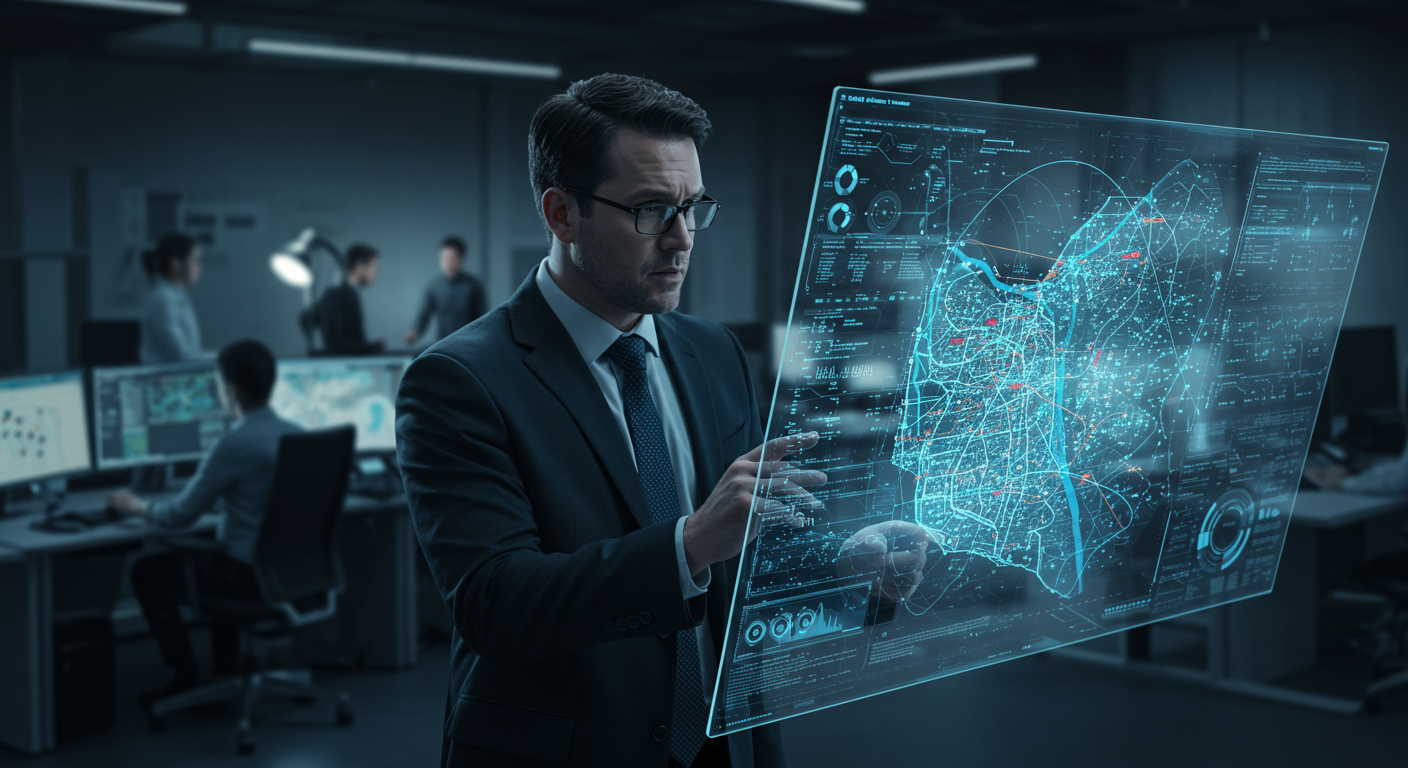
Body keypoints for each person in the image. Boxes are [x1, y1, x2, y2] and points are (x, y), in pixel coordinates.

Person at [396, 73, 926, 768]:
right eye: (650, 210)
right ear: (561, 214)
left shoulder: (713, 351)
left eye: (692, 207)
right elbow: (498, 604)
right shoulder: (460, 381)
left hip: (724, 743)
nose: (681, 240)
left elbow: (738, 550)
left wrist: (840, 570)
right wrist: (688, 546)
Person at [109, 339, 302, 708]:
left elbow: (178, 516)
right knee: (221, 545)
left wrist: (136, 506)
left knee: (147, 572)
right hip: (289, 572)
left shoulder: (235, 443)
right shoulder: (296, 434)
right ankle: (226, 664)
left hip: (247, 577)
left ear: (231, 390)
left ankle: (184, 675)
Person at [404, 236, 488, 346]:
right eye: (443, 258)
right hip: (443, 344)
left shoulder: (474, 286)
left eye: (451, 258)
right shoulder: (434, 286)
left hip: (469, 345)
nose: (447, 263)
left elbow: (482, 319)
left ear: (461, 258)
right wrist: (415, 332)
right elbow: (424, 314)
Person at [139, 233, 207, 364]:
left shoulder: (176, 296)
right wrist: (225, 359)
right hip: (164, 379)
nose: (199, 267)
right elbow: (182, 356)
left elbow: (189, 354)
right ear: (176, 264)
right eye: (195, 260)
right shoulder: (163, 300)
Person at [315, 243, 385, 355]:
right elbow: (338, 344)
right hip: (343, 364)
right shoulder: (336, 294)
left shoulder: (350, 293)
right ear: (359, 266)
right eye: (373, 267)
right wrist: (372, 347)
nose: (374, 273)